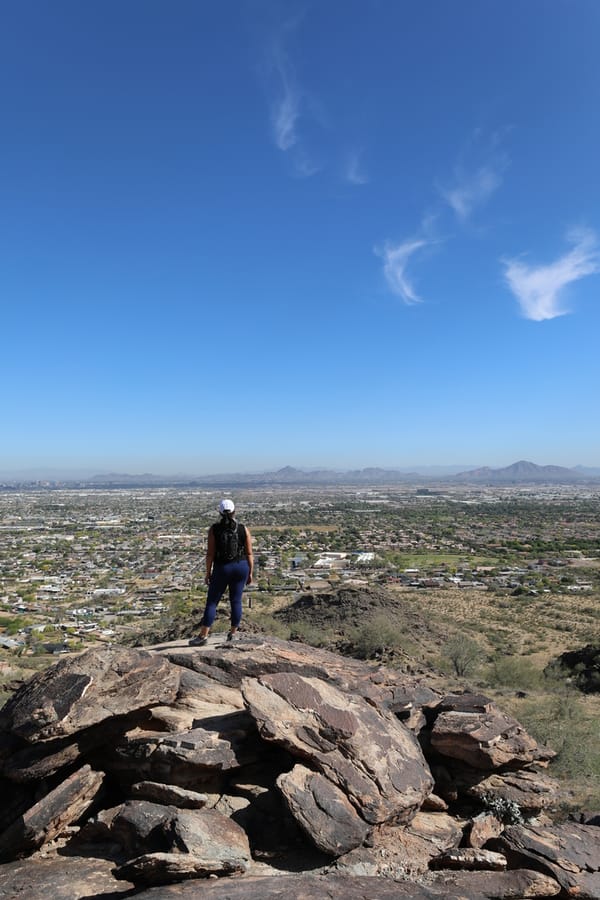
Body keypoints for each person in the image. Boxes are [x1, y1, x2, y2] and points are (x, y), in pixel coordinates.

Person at [190, 499, 253, 646]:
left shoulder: (214, 529)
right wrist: (250, 572)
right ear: (234, 512)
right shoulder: (243, 529)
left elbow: (210, 554)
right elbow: (249, 553)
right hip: (241, 567)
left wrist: (208, 573)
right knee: (236, 601)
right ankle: (232, 634)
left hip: (222, 568)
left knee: (212, 602)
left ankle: (203, 636)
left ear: (219, 512)